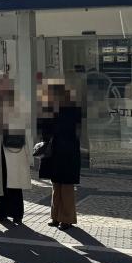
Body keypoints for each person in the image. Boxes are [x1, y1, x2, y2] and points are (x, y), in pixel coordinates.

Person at [38, 81, 83, 230]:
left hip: (67, 151)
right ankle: (56, 217)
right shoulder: (54, 108)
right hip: (58, 151)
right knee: (57, 185)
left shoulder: (70, 109)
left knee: (65, 186)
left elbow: (71, 129)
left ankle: (66, 218)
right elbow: (44, 127)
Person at [0, 75, 28, 225]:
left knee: (13, 181)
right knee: (2, 181)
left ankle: (16, 213)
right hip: (0, 147)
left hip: (12, 146)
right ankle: (2, 212)